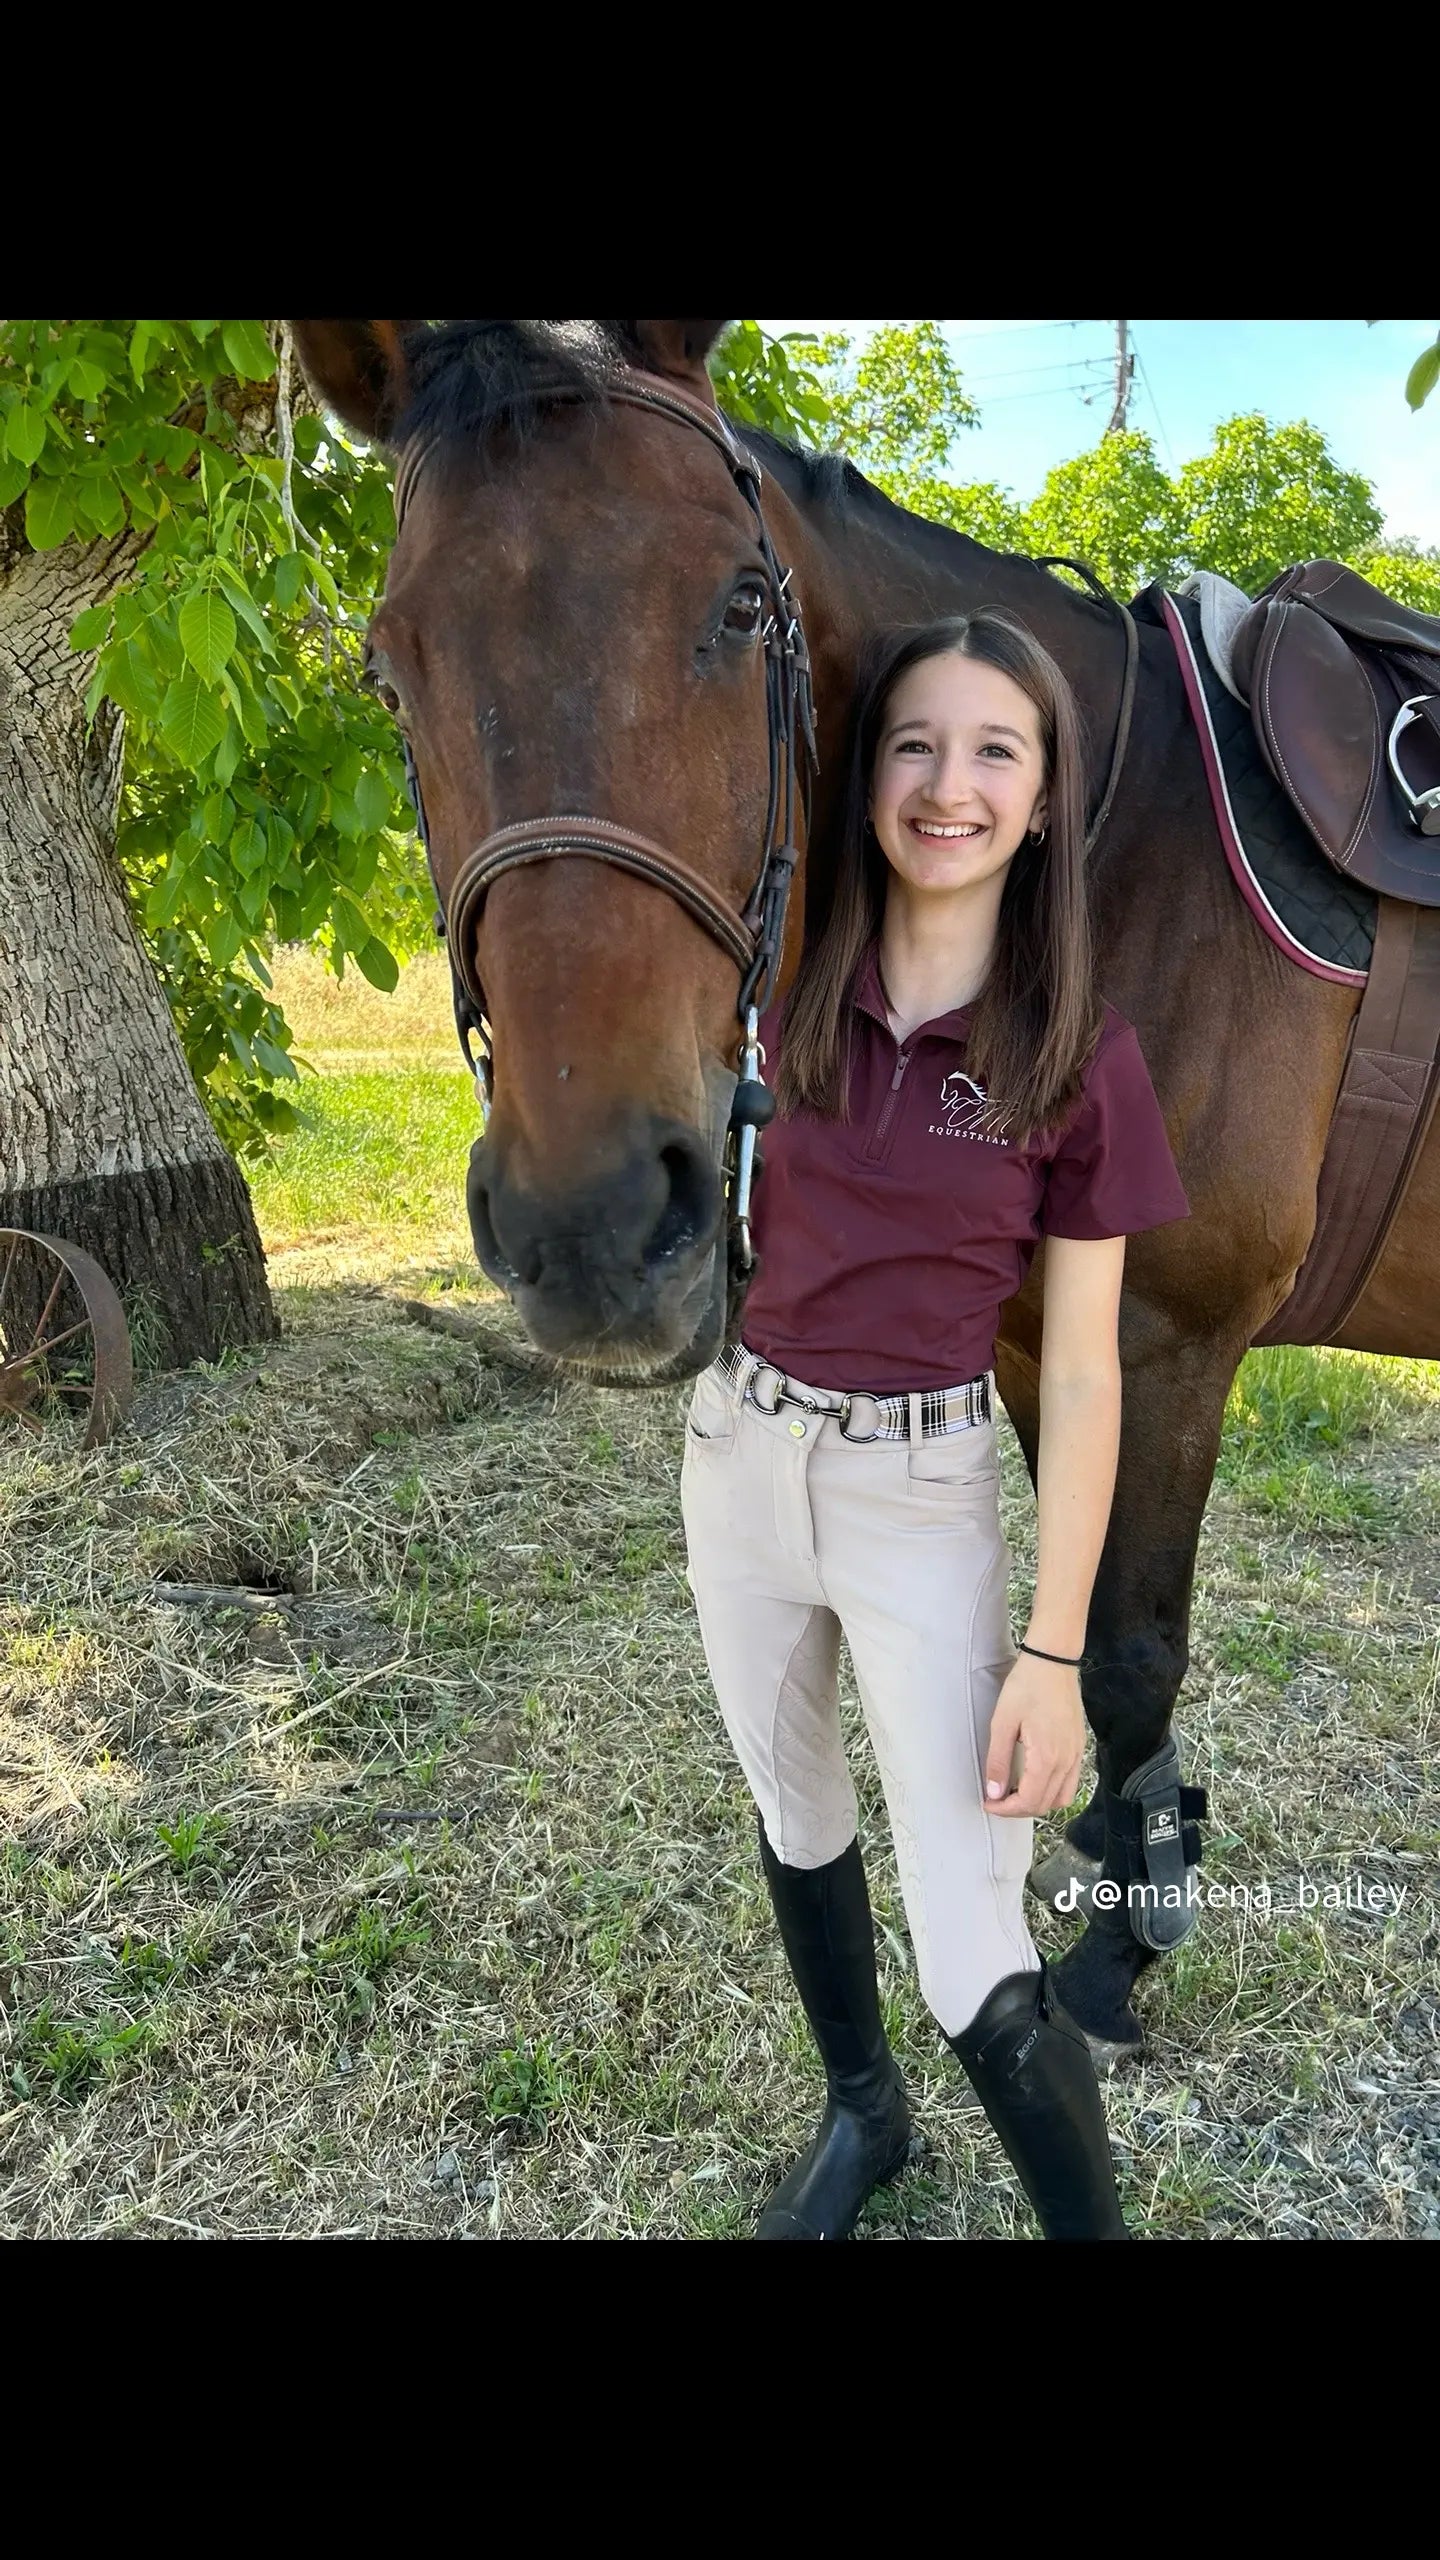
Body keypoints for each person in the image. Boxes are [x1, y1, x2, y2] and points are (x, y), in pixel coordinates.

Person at [680, 610, 1190, 2241]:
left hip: (924, 1494)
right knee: (794, 1809)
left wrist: (1051, 1656)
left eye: (994, 750)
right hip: (741, 1458)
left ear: (1043, 802)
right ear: (866, 777)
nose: (947, 784)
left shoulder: (1078, 1056)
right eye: (912, 743)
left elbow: (1092, 1374)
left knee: (977, 1956)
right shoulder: (777, 996)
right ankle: (861, 2113)